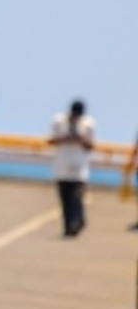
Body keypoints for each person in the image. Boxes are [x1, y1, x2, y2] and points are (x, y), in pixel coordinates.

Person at [47, 100, 94, 238]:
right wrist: (64, 138)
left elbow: (90, 146)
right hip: (62, 167)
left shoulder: (88, 124)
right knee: (65, 199)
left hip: (79, 168)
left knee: (76, 198)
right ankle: (68, 226)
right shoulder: (59, 121)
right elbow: (51, 140)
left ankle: (77, 221)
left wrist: (80, 139)